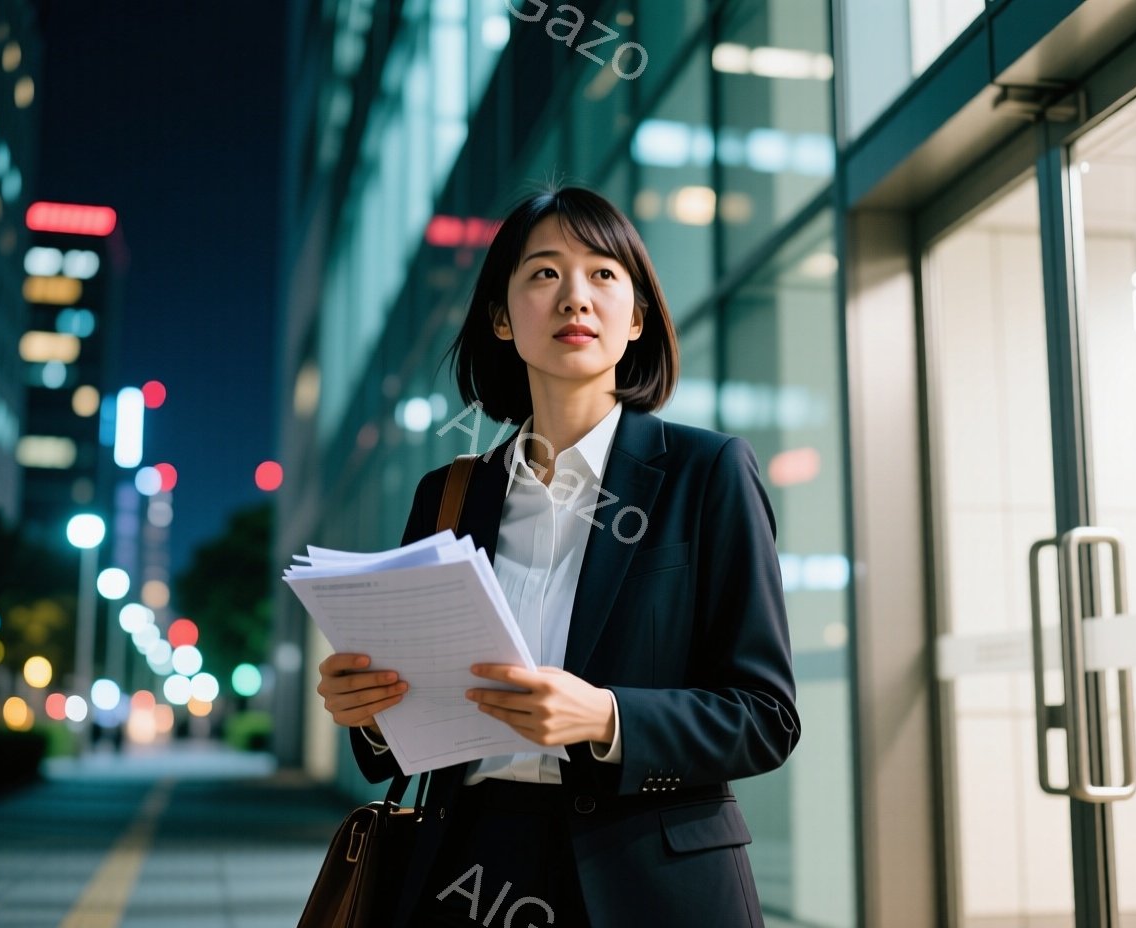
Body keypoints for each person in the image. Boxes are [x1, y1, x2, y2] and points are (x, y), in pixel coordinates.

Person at [314, 185, 799, 928]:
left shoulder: (708, 474)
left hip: (649, 880)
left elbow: (765, 716)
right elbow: (402, 734)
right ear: (503, 319)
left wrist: (605, 716)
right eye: (544, 274)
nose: (575, 296)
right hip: (468, 870)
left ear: (636, 317)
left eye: (604, 274)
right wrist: (371, 715)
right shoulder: (449, 495)